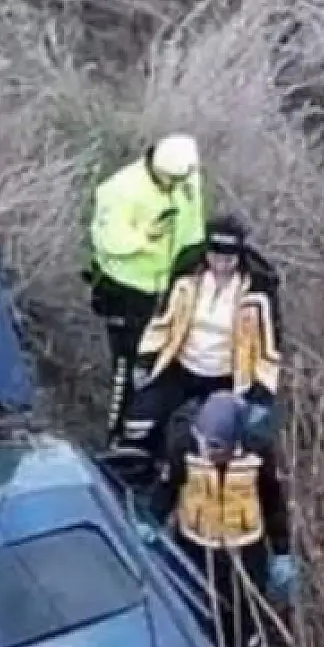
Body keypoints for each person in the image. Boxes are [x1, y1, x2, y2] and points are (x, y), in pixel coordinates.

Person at [149, 390, 298, 647]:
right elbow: (167, 488)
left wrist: (281, 552)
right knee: (198, 613)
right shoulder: (184, 446)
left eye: (217, 447)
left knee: (243, 619)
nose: (210, 453)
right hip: (195, 547)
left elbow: (272, 502)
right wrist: (150, 523)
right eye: (207, 445)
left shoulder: (257, 452)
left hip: (244, 550)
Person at [122, 213, 283, 460]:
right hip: (181, 366)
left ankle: (191, 480)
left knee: (215, 437)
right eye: (216, 256)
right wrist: (146, 358)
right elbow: (163, 322)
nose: (221, 264)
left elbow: (268, 346)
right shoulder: (187, 281)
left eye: (229, 258)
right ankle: (143, 474)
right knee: (139, 423)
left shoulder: (256, 294)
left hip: (226, 376)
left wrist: (262, 387)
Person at [87, 134, 207, 444]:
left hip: (173, 288)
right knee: (127, 367)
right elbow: (107, 241)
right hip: (128, 292)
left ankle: (154, 432)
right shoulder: (121, 190)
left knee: (169, 361)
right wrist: (145, 236)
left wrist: (195, 268)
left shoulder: (187, 180)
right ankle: (117, 437)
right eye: (171, 179)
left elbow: (194, 228)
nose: (175, 185)